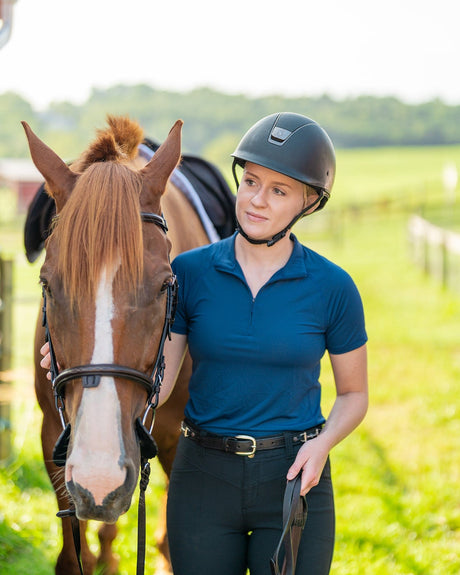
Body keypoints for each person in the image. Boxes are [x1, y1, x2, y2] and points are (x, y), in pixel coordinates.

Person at [42, 112, 368, 575]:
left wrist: (322, 445)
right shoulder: (189, 272)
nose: (257, 200)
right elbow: (162, 373)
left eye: (279, 191)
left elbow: (354, 394)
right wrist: (82, 359)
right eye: (251, 181)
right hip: (203, 477)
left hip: (294, 474)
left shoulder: (334, 287)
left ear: (309, 202)